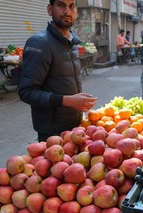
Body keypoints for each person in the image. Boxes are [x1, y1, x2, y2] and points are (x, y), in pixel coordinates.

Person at [18, 0, 97, 142]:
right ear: (50, 9)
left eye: (71, 6)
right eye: (61, 5)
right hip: (52, 132)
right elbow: (26, 92)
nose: (67, 11)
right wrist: (68, 101)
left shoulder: (72, 43)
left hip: (74, 126)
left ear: (76, 11)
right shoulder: (40, 43)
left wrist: (78, 102)